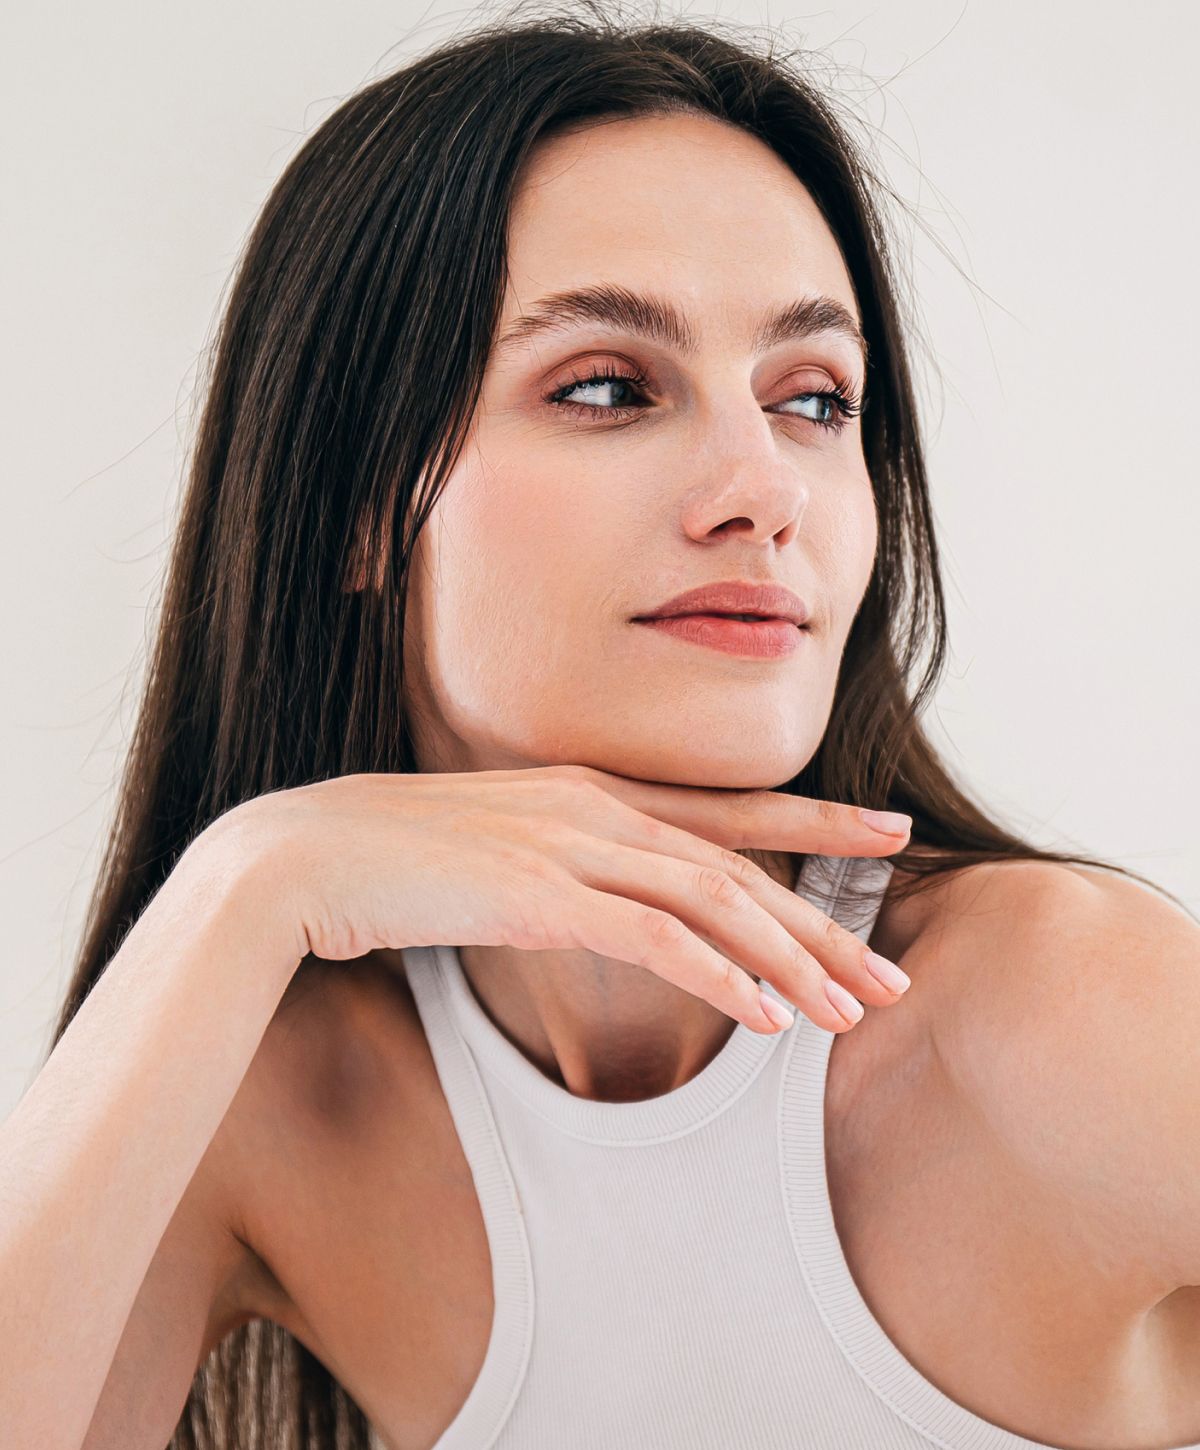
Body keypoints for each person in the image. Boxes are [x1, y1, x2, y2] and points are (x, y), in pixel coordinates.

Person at [3, 5, 1197, 1449]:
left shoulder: (1056, 1009)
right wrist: (251, 879)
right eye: (611, 388)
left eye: (813, 399)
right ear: (359, 507)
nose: (764, 488)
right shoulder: (289, 1106)